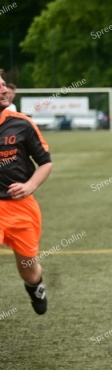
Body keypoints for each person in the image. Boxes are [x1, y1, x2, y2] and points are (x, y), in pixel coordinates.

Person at [0, 71, 52, 315]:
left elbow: (45, 162)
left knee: (28, 269)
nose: (4, 90)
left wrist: (29, 186)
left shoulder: (22, 123)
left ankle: (35, 287)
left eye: (3, 85)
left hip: (21, 207)